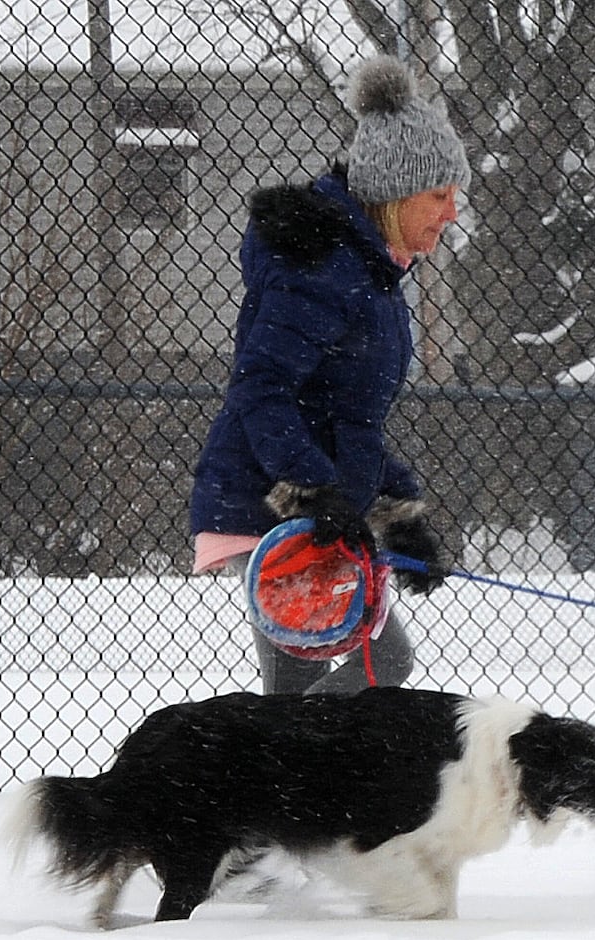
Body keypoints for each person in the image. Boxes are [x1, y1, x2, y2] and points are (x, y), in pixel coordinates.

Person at [189, 54, 463, 695]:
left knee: (362, 667)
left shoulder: (371, 272)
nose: (451, 212)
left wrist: (399, 513)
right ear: (396, 192)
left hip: (310, 503)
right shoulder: (323, 269)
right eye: (439, 195)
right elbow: (262, 389)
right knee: (344, 674)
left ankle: (295, 780)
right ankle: (286, 783)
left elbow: (348, 419)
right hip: (272, 500)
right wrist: (312, 491)